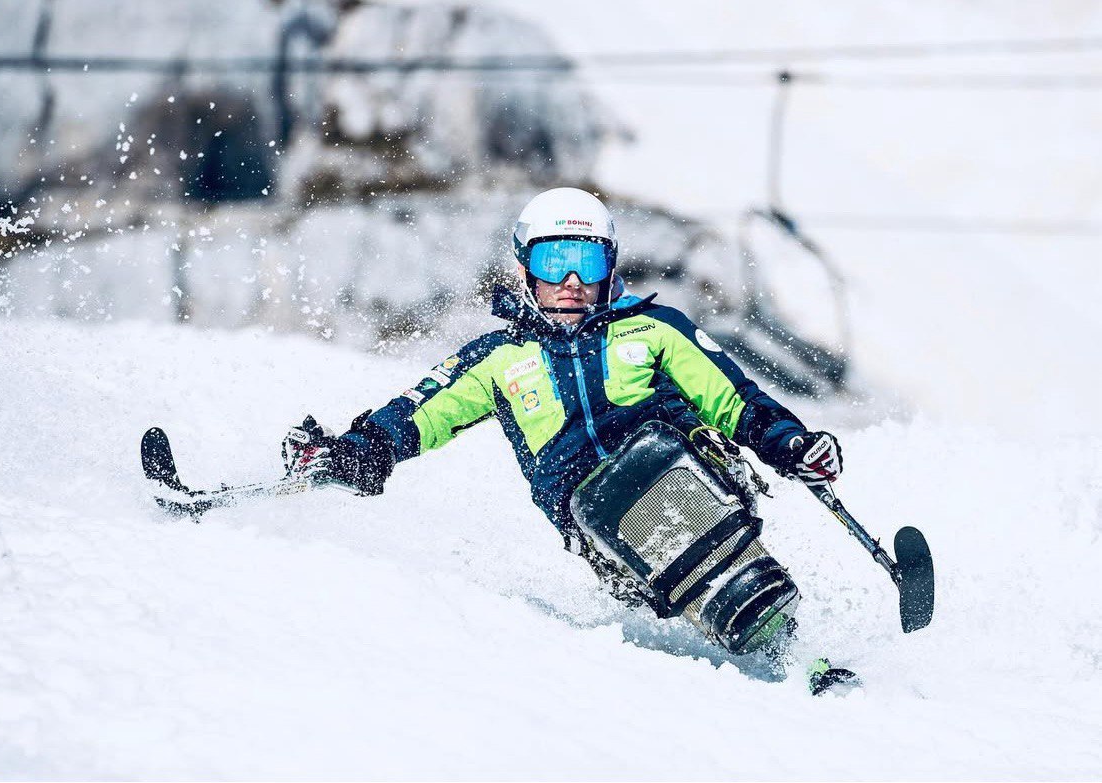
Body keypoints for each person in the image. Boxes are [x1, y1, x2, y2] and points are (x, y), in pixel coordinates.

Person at [283, 187, 842, 604]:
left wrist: (792, 444)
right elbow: (423, 410)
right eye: (554, 263)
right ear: (526, 267)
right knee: (640, 531)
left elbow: (733, 398)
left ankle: (799, 655)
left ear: (611, 267)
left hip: (689, 484)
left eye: (589, 262)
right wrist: (364, 448)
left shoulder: (652, 329)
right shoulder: (501, 358)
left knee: (674, 483)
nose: (572, 280)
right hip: (602, 526)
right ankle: (762, 648)